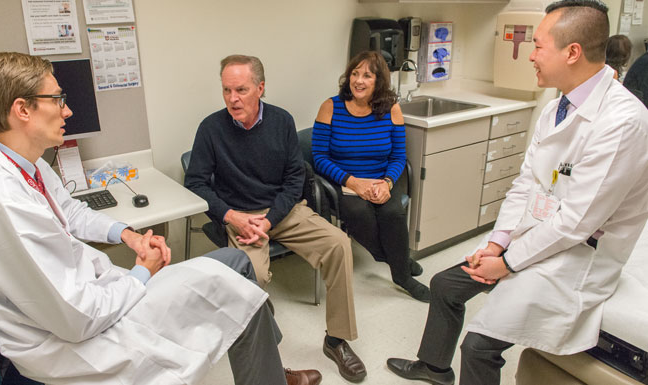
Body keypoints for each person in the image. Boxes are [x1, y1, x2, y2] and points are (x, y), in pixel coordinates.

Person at [0, 52, 321, 385]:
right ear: (22, 109)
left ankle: (270, 367)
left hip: (96, 296)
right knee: (236, 275)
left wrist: (128, 235)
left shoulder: (28, 164)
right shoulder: (1, 201)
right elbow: (77, 318)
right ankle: (272, 371)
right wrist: (142, 272)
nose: (68, 111)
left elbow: (70, 212)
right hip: (77, 338)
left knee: (236, 273)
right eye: (57, 99)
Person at [386, 1, 648, 384]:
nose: (531, 55)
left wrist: (506, 264)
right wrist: (497, 242)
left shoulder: (623, 122)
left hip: (577, 258)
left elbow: (575, 224)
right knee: (445, 284)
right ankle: (433, 368)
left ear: (572, 52)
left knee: (478, 347)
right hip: (533, 237)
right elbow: (526, 183)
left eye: (539, 45)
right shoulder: (557, 106)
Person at [184, 54, 367, 382]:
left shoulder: (281, 122)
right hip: (239, 216)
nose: (232, 99)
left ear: (260, 88)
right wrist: (231, 217)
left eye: (240, 89)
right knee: (249, 279)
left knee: (339, 244)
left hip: (282, 211)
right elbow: (195, 182)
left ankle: (337, 340)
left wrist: (270, 220)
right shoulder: (211, 128)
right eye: (226, 90)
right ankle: (271, 366)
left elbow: (295, 179)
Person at [312, 51, 429, 302]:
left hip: (381, 178)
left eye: (367, 75)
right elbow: (319, 158)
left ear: (379, 81)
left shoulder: (391, 110)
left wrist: (387, 183)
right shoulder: (330, 107)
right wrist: (353, 181)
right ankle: (398, 263)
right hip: (345, 181)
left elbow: (398, 158)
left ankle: (401, 275)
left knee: (392, 213)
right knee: (359, 214)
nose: (359, 81)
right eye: (355, 74)